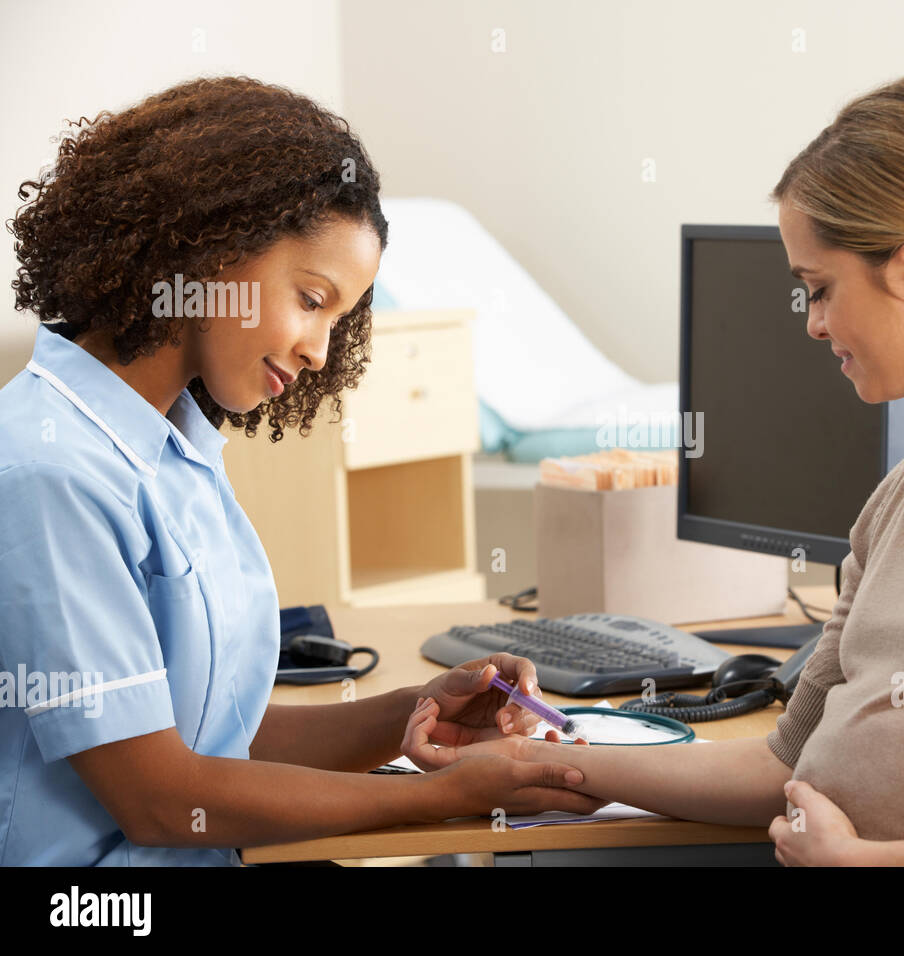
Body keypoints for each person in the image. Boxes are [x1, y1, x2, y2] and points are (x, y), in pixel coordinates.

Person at [401, 72, 904, 866]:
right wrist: (541, 763)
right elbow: (784, 766)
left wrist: (868, 864)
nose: (814, 325)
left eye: (819, 290)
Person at [0, 76, 599, 866]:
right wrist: (440, 797)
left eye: (339, 319)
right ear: (210, 243)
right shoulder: (49, 471)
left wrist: (413, 709)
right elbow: (160, 796)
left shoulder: (173, 450)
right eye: (312, 299)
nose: (320, 350)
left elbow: (219, 737)